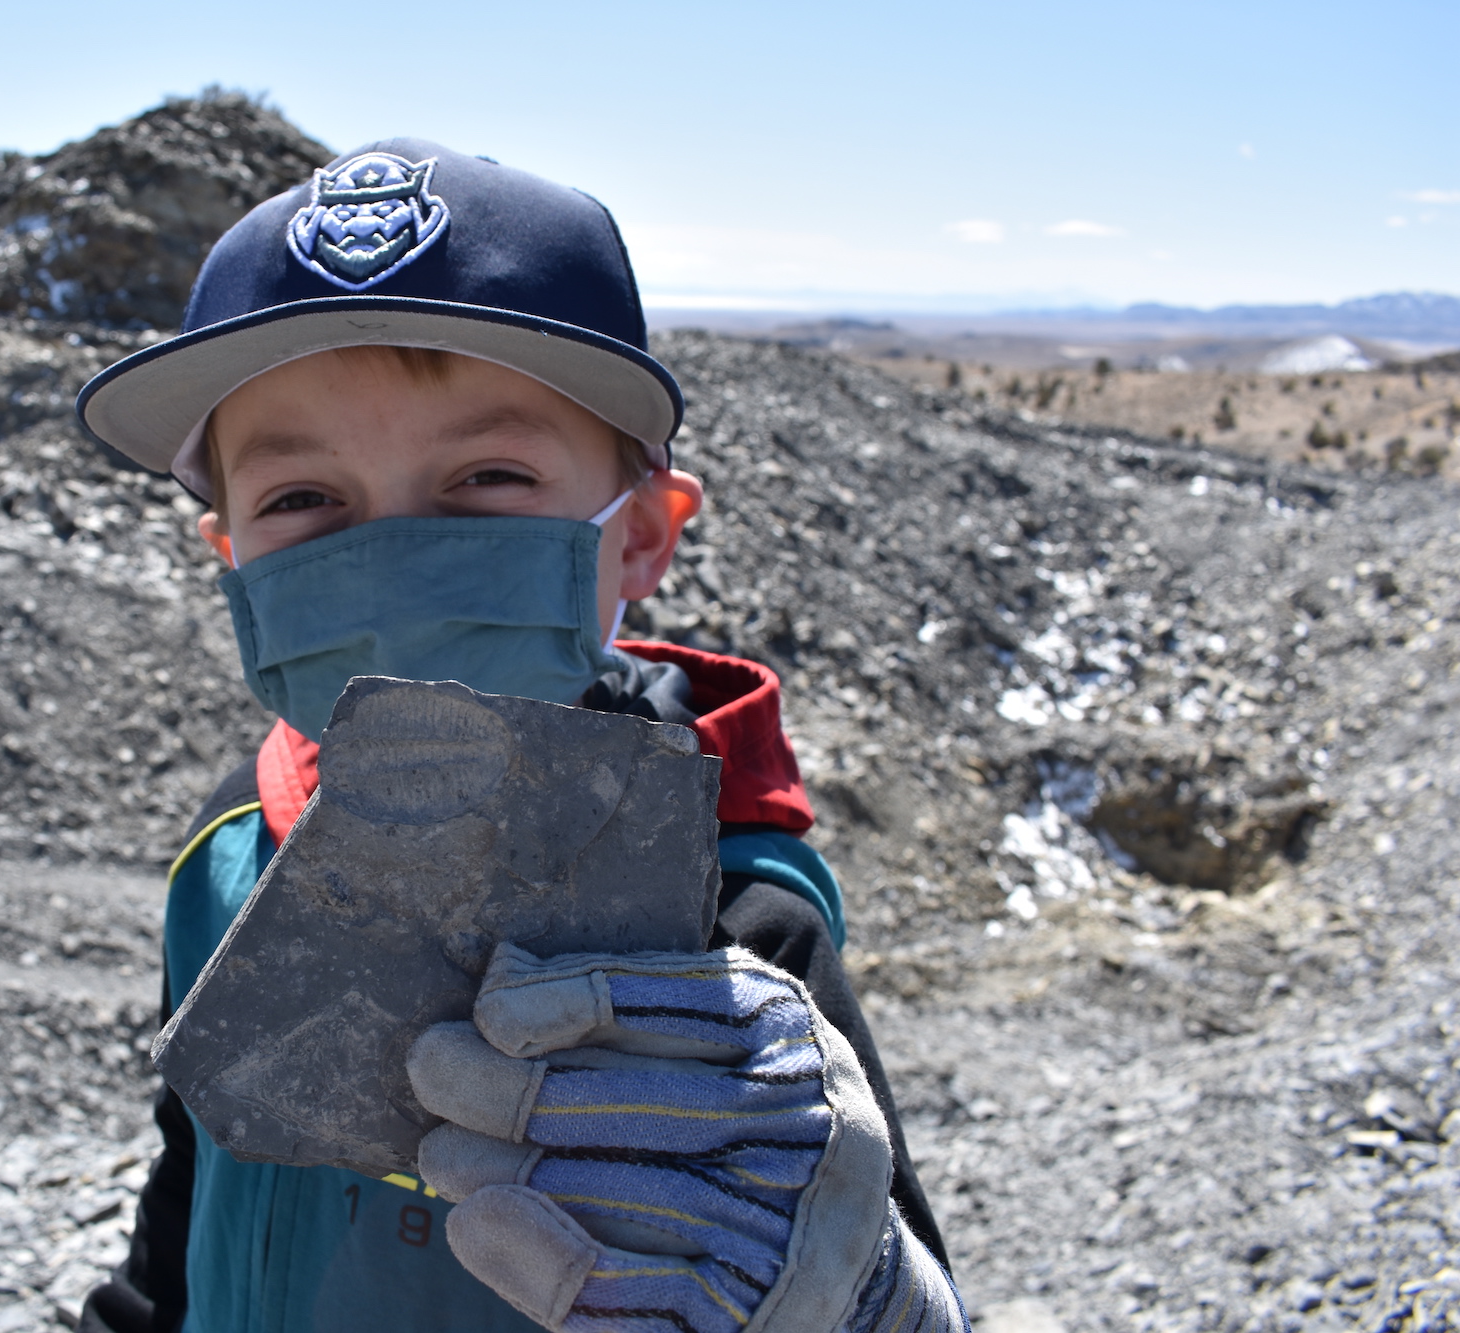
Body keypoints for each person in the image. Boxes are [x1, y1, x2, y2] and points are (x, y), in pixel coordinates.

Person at [73, 141, 966, 1333]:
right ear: (227, 556)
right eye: (302, 500)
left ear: (642, 535)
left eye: (487, 477)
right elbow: (187, 1210)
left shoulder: (733, 928)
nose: (388, 555)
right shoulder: (236, 845)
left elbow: (844, 1252)